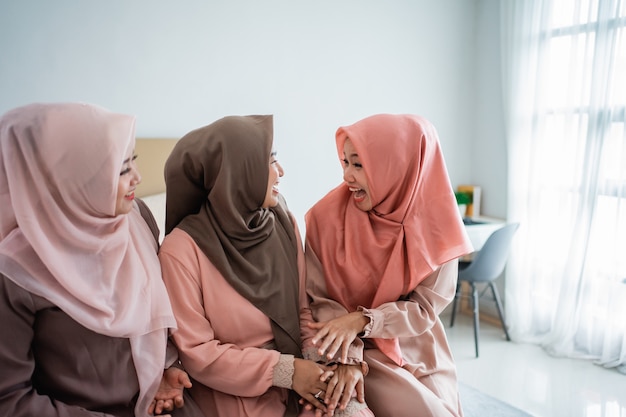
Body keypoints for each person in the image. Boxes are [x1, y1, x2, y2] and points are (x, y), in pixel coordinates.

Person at [158, 115, 373, 417]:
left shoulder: (282, 221)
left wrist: (327, 370)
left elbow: (303, 312)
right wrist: (286, 371)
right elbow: (199, 353)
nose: (281, 172)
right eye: (270, 161)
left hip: (301, 373)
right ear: (237, 171)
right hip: (234, 390)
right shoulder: (180, 251)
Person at [0, 102, 205, 417]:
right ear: (72, 181)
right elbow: (10, 400)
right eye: (122, 169)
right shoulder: (14, 272)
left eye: (133, 161)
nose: (138, 177)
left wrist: (163, 368)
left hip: (161, 403)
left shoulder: (137, 219)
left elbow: (148, 310)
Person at [304, 113, 473, 417]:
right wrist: (350, 360)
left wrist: (365, 319)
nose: (347, 177)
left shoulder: (440, 226)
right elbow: (321, 302)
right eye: (345, 163)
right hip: (357, 348)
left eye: (358, 165)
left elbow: (424, 310)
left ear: (397, 168)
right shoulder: (324, 218)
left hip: (416, 340)